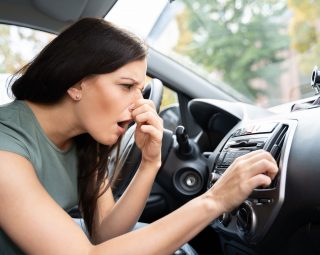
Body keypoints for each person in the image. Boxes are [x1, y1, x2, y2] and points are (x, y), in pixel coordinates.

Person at [0, 17, 278, 255]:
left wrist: (150, 163)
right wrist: (214, 200)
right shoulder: (6, 151)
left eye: (140, 89)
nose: (138, 105)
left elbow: (107, 235)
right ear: (76, 84)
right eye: (126, 86)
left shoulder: (84, 140)